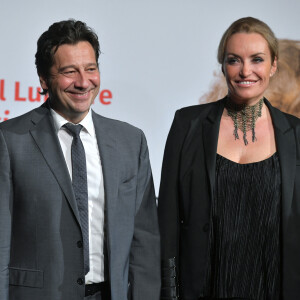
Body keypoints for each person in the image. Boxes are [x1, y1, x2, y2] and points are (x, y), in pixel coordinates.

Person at [0, 19, 160, 300]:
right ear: (44, 79)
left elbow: (144, 242)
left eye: (91, 69)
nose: (83, 82)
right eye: (69, 71)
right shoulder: (10, 139)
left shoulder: (130, 141)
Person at [158, 17, 300, 300]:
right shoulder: (188, 125)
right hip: (204, 288)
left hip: (275, 288)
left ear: (273, 65)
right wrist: (168, 293)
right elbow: (168, 221)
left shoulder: (296, 134)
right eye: (234, 60)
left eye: (257, 59)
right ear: (222, 65)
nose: (245, 70)